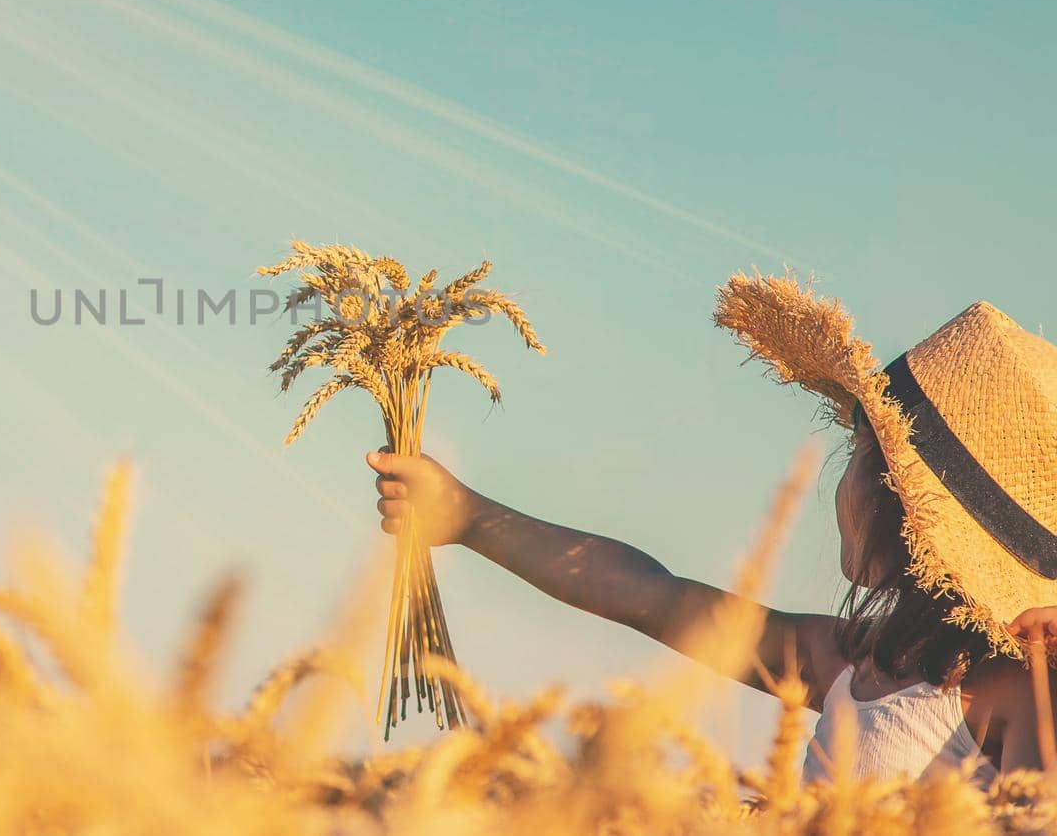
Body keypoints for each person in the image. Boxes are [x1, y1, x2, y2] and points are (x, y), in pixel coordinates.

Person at [368, 273, 1057, 781]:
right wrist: (466, 514)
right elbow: (650, 595)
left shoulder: (1014, 693)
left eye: (855, 456)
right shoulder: (846, 661)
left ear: (897, 499)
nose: (837, 482)